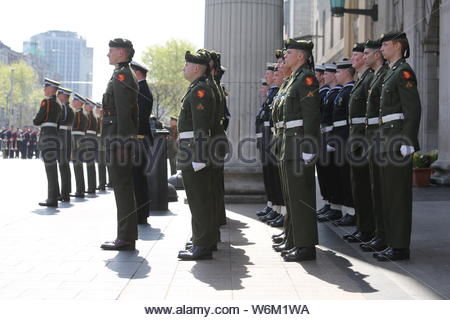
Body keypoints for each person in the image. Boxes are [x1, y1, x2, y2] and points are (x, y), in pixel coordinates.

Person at [374, 31, 421, 261]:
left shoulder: (403, 71)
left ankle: (400, 247)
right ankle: (393, 242)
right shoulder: (391, 72)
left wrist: (408, 141)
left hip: (396, 143)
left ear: (397, 46)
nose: (381, 49)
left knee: (398, 197)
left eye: (385, 45)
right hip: (386, 142)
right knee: (388, 196)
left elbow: (413, 109)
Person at [278, 39, 321, 262]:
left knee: (301, 197)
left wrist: (308, 146)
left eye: (290, 51)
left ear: (302, 56)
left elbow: (311, 116)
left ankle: (306, 246)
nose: (285, 55)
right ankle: (296, 240)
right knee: (293, 197)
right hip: (289, 144)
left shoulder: (306, 78)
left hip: (299, 144)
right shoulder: (295, 78)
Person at [177, 50, 216, 260]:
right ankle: (202, 240)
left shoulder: (200, 90)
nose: (183, 68)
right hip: (190, 150)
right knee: (197, 199)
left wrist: (199, 156)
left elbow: (201, 127)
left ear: (195, 68)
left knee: (199, 200)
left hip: (194, 151)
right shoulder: (196, 88)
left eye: (186, 65)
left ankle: (202, 245)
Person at [100, 38, 139, 251]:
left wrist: (124, 142)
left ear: (122, 53)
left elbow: (125, 112)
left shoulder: (122, 74)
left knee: (122, 186)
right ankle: (126, 234)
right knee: (122, 186)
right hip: (117, 136)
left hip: (118, 138)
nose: (108, 54)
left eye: (111, 51)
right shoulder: (122, 72)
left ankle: (125, 237)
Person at [343, 43, 375, 241]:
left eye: (357, 55)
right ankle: (363, 227)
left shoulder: (369, 79)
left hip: (363, 140)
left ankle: (367, 228)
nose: (354, 58)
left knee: (364, 187)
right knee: (358, 187)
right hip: (356, 139)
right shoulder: (361, 80)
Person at [360, 38, 389, 253]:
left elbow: (410, 108)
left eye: (367, 53)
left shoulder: (387, 74)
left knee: (384, 191)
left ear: (376, 55)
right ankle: (379, 234)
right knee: (374, 190)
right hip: (373, 138)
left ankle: (384, 236)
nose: (363, 57)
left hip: (384, 139)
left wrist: (407, 140)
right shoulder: (377, 75)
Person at [130, 60, 153, 225]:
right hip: (140, 139)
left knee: (138, 178)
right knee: (138, 178)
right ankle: (141, 212)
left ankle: (141, 213)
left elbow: (140, 118)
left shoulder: (142, 90)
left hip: (139, 139)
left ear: (137, 73)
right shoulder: (141, 89)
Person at [33, 78, 62, 207]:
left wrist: (36, 120)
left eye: (46, 87)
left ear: (51, 89)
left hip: (47, 135)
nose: (44, 89)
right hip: (54, 134)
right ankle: (55, 195)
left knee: (50, 169)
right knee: (53, 167)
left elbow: (38, 120)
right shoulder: (59, 104)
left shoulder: (47, 102)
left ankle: (52, 198)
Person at [56, 87, 74, 202]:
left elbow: (59, 122)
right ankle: (66, 192)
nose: (58, 95)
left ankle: (64, 193)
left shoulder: (64, 108)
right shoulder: (69, 108)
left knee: (63, 165)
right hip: (66, 137)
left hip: (62, 137)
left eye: (60, 94)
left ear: (64, 96)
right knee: (64, 166)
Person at [70, 93, 88, 198]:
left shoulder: (80, 114)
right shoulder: (79, 113)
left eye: (75, 100)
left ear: (80, 103)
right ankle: (80, 189)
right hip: (78, 139)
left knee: (78, 166)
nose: (73, 102)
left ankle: (80, 190)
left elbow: (76, 128)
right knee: (77, 166)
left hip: (77, 140)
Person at [83, 98, 98, 195]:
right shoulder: (94, 117)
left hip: (89, 139)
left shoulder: (89, 117)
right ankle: (92, 186)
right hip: (92, 139)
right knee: (91, 165)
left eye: (86, 105)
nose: (84, 106)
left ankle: (91, 187)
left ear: (90, 107)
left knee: (90, 165)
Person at [95, 103, 108, 191]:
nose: (98, 110)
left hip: (103, 144)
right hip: (100, 143)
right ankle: (102, 183)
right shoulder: (99, 118)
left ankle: (102, 184)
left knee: (102, 164)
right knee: (101, 164)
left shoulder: (104, 119)